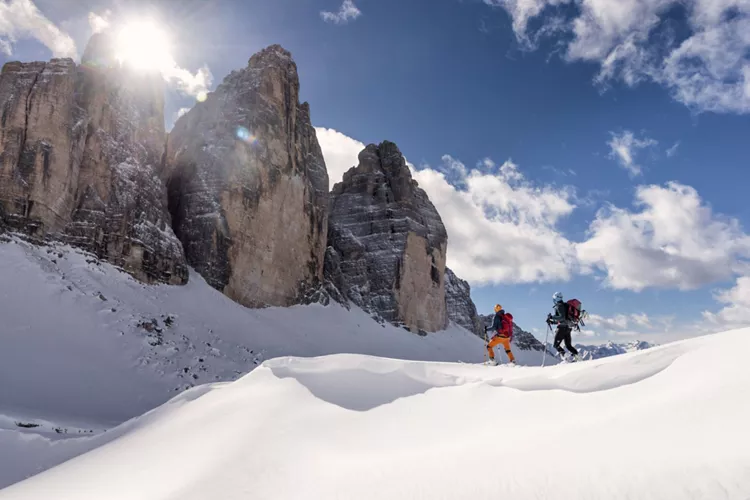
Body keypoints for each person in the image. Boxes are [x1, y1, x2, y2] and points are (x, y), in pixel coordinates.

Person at [547, 292, 581, 362]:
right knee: (568, 346)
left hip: (562, 328)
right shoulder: (565, 305)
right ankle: (578, 358)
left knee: (556, 345)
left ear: (555, 298)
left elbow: (561, 317)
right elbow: (564, 318)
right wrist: (553, 322)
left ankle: (566, 358)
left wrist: (551, 317)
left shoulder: (559, 306)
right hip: (568, 328)